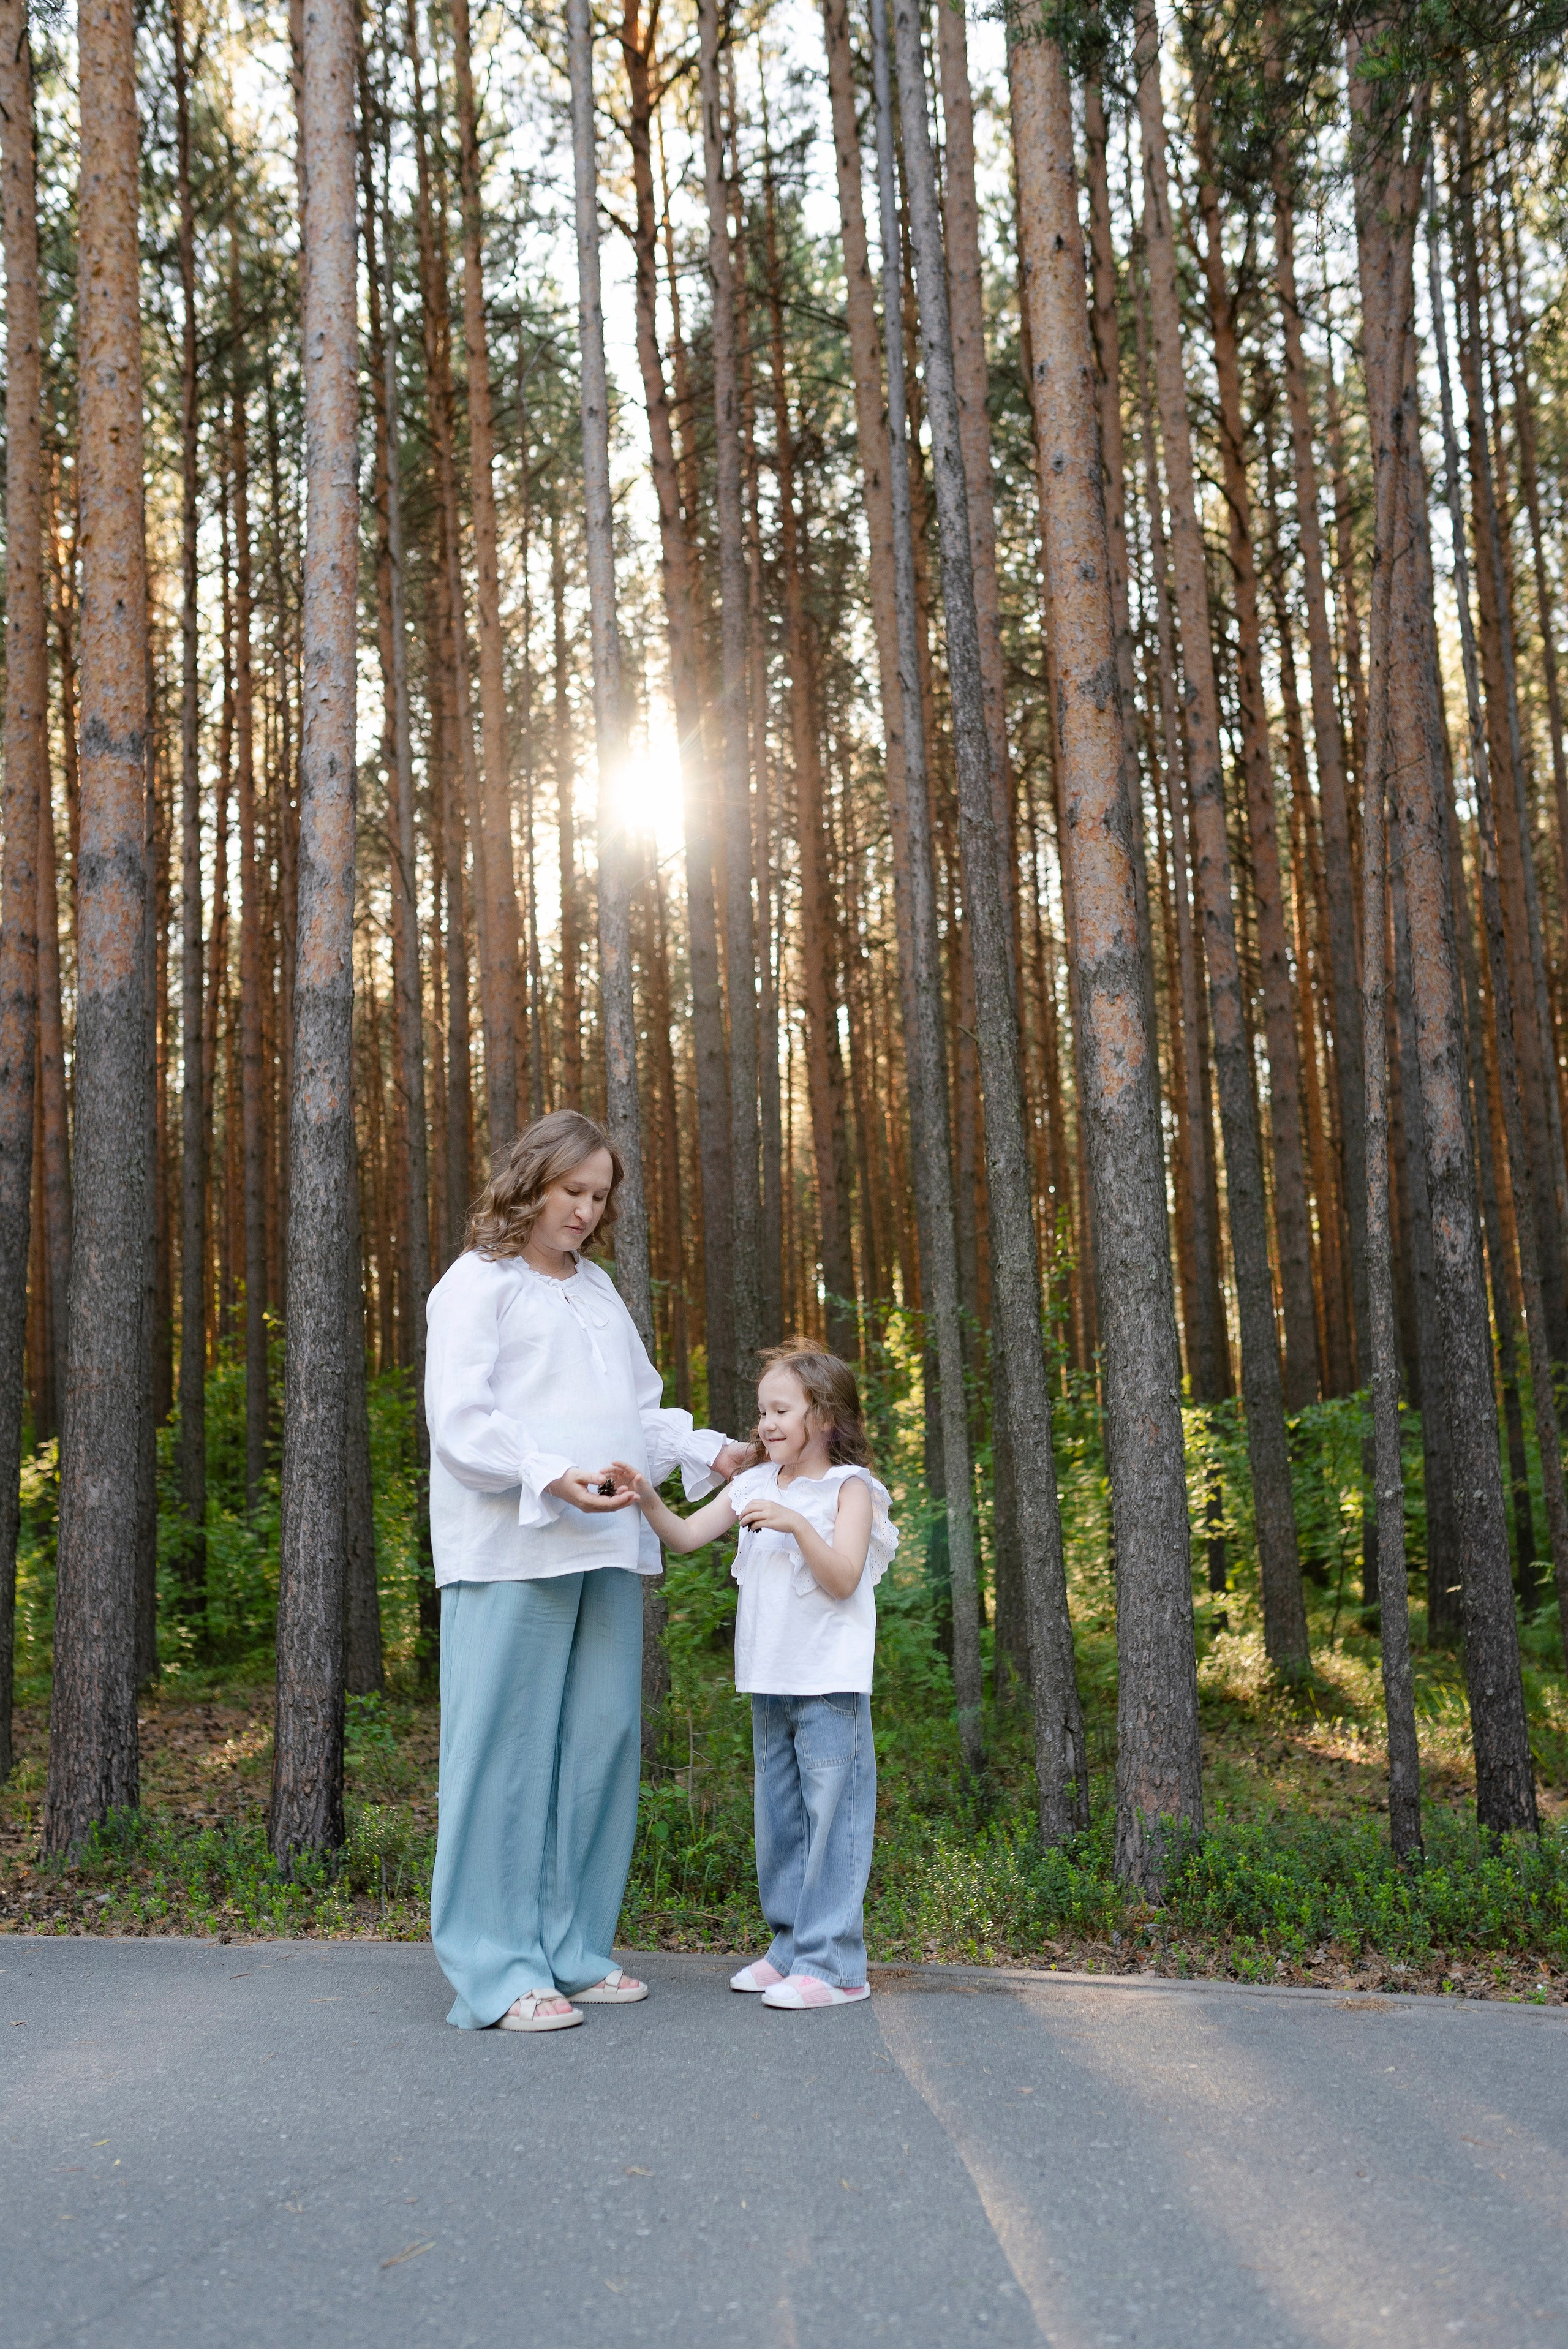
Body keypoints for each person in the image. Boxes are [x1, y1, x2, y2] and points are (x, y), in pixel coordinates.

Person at [424, 1109, 748, 2033]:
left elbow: (636, 1408)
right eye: (573, 1190)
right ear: (531, 1182)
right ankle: (494, 1969)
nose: (585, 1209)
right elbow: (462, 1420)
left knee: (599, 1746)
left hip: (610, 1543)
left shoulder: (598, 1286)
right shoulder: (478, 1284)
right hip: (513, 1546)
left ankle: (571, 1949)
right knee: (504, 1756)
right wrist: (549, 1473)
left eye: (599, 1196)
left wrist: (713, 1449)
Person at [611, 1343, 896, 2011]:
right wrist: (647, 1495)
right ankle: (791, 1948)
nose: (765, 1424)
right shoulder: (753, 1482)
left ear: (824, 1417)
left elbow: (844, 1577)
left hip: (828, 1682)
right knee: (781, 1821)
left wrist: (798, 1524)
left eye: (781, 1410)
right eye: (762, 1410)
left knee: (833, 1821)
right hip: (768, 1681)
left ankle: (836, 1966)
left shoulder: (851, 1489)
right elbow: (682, 1537)